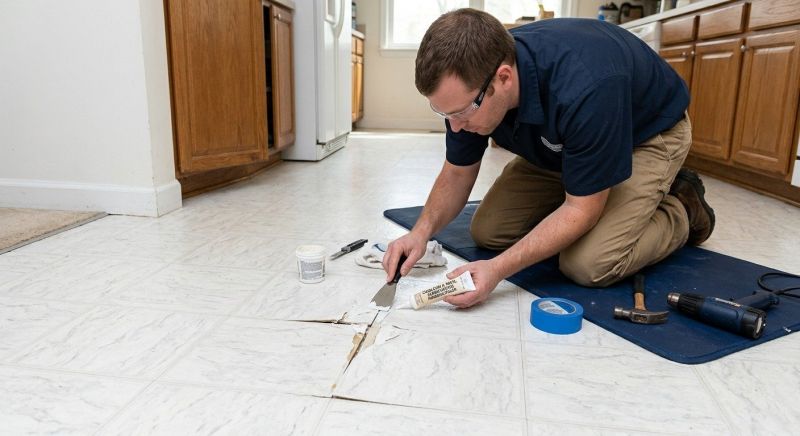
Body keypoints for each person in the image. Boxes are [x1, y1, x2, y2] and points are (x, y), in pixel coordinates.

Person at [382, 8, 715, 308]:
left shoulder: (585, 86)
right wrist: (420, 232)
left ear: (504, 78)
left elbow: (582, 210)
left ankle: (683, 206)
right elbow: (457, 172)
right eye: (444, 112)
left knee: (588, 264)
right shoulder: (470, 90)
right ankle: (581, 179)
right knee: (488, 231)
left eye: (461, 112)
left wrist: (496, 270)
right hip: (565, 144)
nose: (455, 126)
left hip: (645, 135)